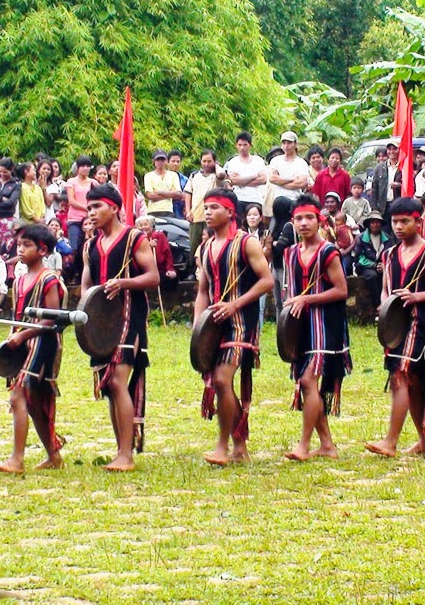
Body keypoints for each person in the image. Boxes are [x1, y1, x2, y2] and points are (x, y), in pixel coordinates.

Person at [80, 183, 160, 471]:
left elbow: (153, 277)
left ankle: (126, 455)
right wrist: (85, 312)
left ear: (114, 207)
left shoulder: (133, 238)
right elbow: (87, 286)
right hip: (101, 324)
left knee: (117, 381)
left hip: (129, 318)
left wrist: (124, 282)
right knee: (111, 387)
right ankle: (120, 451)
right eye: (88, 208)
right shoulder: (90, 245)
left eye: (96, 206)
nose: (91, 213)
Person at [192, 189, 273, 465]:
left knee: (222, 380)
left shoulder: (246, 243)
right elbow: (203, 290)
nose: (209, 212)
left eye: (215, 207)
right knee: (220, 383)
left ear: (230, 212)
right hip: (214, 326)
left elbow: (266, 281)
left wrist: (234, 305)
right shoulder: (204, 248)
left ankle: (222, 447)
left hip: (241, 323)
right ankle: (239, 447)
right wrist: (197, 325)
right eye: (207, 207)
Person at [365, 197, 425, 457]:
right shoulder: (390, 253)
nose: (399, 226)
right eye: (395, 222)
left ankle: (390, 442)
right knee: (410, 380)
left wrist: (417, 297)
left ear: (418, 221)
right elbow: (385, 289)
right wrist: (385, 307)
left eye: (405, 221)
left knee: (402, 376)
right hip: (396, 326)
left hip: (422, 322)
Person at [0, 224, 68, 473]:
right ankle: (53, 455)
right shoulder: (19, 280)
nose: (20, 249)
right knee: (32, 403)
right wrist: (12, 338)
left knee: (18, 396)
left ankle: (17, 459)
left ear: (42, 249)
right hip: (22, 343)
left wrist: (23, 334)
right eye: (19, 244)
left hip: (43, 344)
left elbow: (52, 318)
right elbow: (17, 317)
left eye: (27, 245)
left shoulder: (49, 279)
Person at [280, 193, 351, 461]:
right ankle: (327, 445)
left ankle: (304, 445)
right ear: (292, 222)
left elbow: (341, 290)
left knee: (309, 381)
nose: (304, 223)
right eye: (299, 218)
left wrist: (306, 299)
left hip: (326, 326)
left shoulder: (328, 252)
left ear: (319, 219)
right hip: (301, 329)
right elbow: (291, 291)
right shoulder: (290, 253)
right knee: (307, 384)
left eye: (309, 217)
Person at [183, 150, 222, 270]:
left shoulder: (216, 176)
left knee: (212, 242)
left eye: (209, 161)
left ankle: (212, 268)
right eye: (204, 161)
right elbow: (188, 193)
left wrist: (216, 166)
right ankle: (193, 270)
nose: (206, 164)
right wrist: (188, 210)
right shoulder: (194, 175)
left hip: (212, 216)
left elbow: (222, 175)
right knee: (194, 244)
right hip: (196, 215)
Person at [223, 132, 267, 223]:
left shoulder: (258, 161)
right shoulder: (233, 162)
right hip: (239, 198)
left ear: (250, 145)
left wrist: (241, 180)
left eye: (245, 145)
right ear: (236, 145)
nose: (242, 148)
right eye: (239, 145)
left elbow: (263, 179)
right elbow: (233, 180)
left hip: (256, 199)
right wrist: (254, 176)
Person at [63, 155, 94, 279]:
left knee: (92, 245)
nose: (85, 168)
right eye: (83, 166)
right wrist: (88, 208)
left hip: (90, 219)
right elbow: (71, 201)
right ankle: (76, 273)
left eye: (88, 166)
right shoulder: (71, 181)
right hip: (75, 218)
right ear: (78, 167)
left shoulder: (93, 182)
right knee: (75, 247)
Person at [267, 131, 310, 203]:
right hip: (278, 200)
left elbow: (301, 183)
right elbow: (272, 178)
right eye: (284, 143)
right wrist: (292, 179)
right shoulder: (275, 160)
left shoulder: (301, 163)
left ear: (295, 144)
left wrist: (280, 182)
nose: (286, 146)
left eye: (289, 143)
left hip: (295, 200)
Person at [136, 216, 176, 286]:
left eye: (146, 224)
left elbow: (167, 254)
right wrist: (148, 247)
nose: (143, 227)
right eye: (140, 225)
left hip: (160, 270)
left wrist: (170, 269)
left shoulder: (159, 236)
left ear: (151, 226)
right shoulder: (137, 239)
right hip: (144, 272)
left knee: (171, 279)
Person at [144, 150, 183, 217]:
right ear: (153, 161)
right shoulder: (148, 176)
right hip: (152, 210)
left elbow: (179, 194)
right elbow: (149, 195)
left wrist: (160, 192)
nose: (160, 162)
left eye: (162, 160)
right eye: (158, 160)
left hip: (168, 210)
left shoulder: (173, 175)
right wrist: (170, 194)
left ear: (166, 161)